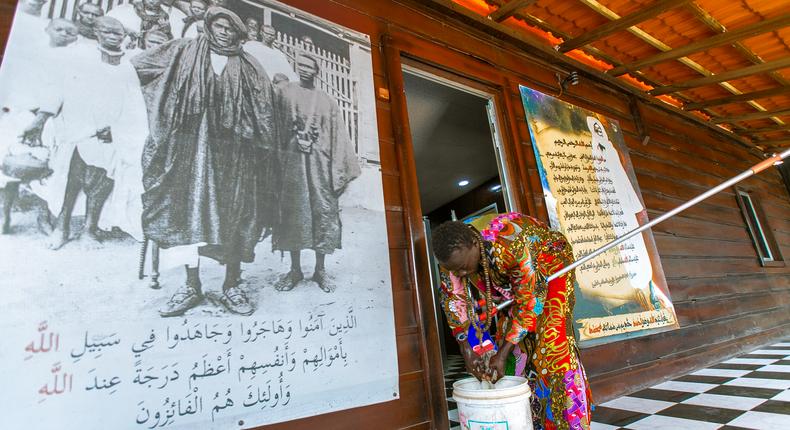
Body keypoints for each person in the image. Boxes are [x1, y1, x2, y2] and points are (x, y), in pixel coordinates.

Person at [131, 7, 275, 317]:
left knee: (235, 215)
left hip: (235, 157)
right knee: (188, 214)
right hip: (191, 152)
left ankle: (231, 284)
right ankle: (191, 285)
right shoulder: (185, 50)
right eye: (219, 26)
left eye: (230, 28)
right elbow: (140, 67)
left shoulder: (249, 64)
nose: (224, 32)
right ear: (209, 26)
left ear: (238, 33)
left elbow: (265, 107)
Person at [432, 213, 592, 430]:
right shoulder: (452, 257)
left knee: (552, 343)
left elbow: (531, 301)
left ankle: (568, 420)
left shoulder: (511, 242)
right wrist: (466, 347)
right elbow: (454, 300)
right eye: (454, 270)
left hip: (551, 269)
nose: (460, 273)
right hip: (513, 280)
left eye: (462, 267)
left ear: (473, 243)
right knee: (517, 351)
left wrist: (503, 351)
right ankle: (530, 416)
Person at [23, 16, 148, 248]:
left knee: (102, 180)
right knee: (74, 178)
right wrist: (42, 119)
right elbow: (59, 88)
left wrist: (118, 129)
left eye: (117, 33)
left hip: (112, 133)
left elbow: (134, 104)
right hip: (80, 130)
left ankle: (89, 229)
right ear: (96, 32)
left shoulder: (128, 65)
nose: (113, 36)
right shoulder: (79, 56)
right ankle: (62, 225)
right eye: (107, 32)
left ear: (123, 36)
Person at [272, 53, 360, 293]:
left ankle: (320, 270)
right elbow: (273, 125)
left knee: (323, 213)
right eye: (300, 65)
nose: (304, 70)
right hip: (292, 167)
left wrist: (338, 172)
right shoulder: (284, 93)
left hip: (320, 167)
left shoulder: (327, 102)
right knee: (294, 214)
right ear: (295, 67)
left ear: (316, 71)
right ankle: (295, 269)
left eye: (309, 67)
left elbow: (339, 137)